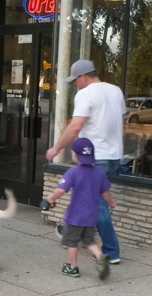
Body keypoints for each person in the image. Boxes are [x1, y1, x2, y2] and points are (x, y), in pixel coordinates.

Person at [46, 59, 126, 265]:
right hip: (114, 155)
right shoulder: (116, 91)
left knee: (98, 204)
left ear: (83, 77)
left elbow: (75, 126)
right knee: (85, 194)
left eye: (75, 80)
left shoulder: (85, 94)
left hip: (96, 157)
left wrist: (57, 148)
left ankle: (111, 252)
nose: (75, 84)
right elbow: (119, 122)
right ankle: (71, 231)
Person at [41, 138, 116, 279]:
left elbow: (61, 191)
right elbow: (105, 193)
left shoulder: (73, 172)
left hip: (75, 216)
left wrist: (49, 199)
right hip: (91, 217)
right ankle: (100, 257)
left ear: (75, 154)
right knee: (89, 241)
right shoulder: (99, 173)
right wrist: (111, 203)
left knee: (71, 242)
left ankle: (73, 267)